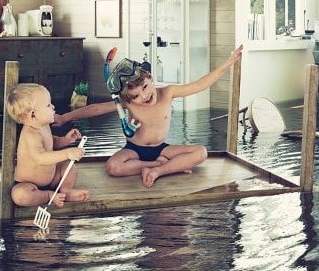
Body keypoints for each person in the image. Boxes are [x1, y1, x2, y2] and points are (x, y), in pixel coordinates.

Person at [54, 45, 243, 188]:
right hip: (134, 150)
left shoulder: (168, 93)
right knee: (113, 166)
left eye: (144, 87)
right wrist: (65, 117)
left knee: (200, 152)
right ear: (128, 97)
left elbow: (199, 85)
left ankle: (158, 170)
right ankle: (160, 165)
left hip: (162, 149)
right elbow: (95, 109)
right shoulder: (126, 103)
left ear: (150, 77)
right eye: (135, 96)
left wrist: (227, 63)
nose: (143, 96)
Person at [6, 83, 89, 207]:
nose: (53, 107)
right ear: (33, 114)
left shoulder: (43, 125)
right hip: (29, 184)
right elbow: (41, 157)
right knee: (20, 195)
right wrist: (67, 153)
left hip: (51, 177)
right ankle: (49, 195)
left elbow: (50, 143)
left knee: (69, 166)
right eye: (48, 105)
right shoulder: (30, 134)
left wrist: (65, 140)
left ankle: (65, 191)